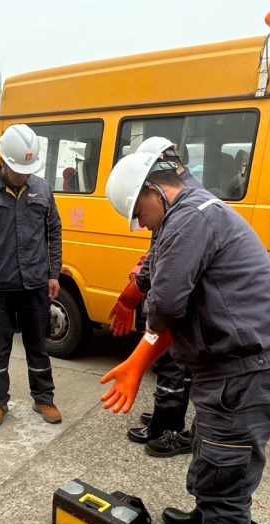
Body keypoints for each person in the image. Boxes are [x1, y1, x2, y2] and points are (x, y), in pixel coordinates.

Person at [100, 151, 270, 524]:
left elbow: (167, 304)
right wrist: (134, 311)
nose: (140, 224)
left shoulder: (189, 218)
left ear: (155, 191)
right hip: (237, 370)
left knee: (225, 478)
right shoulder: (194, 212)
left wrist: (137, 358)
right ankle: (218, 523)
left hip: (246, 374)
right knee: (217, 456)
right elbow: (162, 278)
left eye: (138, 213)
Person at [0, 124, 63, 428]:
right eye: (19, 170)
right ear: (4, 161)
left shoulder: (42, 190)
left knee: (38, 346)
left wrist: (53, 273)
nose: (24, 176)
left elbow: (54, 232)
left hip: (35, 285)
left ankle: (43, 399)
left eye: (28, 170)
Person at [107, 137, 196, 457]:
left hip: (233, 348)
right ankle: (167, 418)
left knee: (174, 364)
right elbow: (155, 257)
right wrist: (132, 296)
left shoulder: (185, 212)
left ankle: (167, 425)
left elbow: (168, 296)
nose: (142, 224)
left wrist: (152, 329)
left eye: (140, 214)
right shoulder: (176, 203)